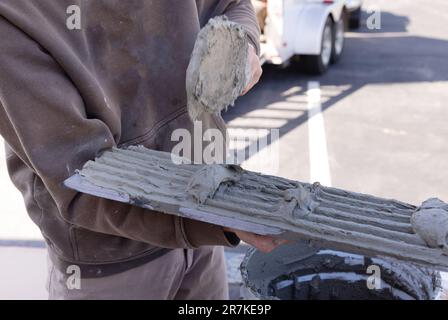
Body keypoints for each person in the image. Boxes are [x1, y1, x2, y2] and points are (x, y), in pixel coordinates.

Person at [0, 0, 285, 299]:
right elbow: (81, 175)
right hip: (111, 265)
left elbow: (231, 5)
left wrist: (242, 41)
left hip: (203, 234)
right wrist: (222, 217)